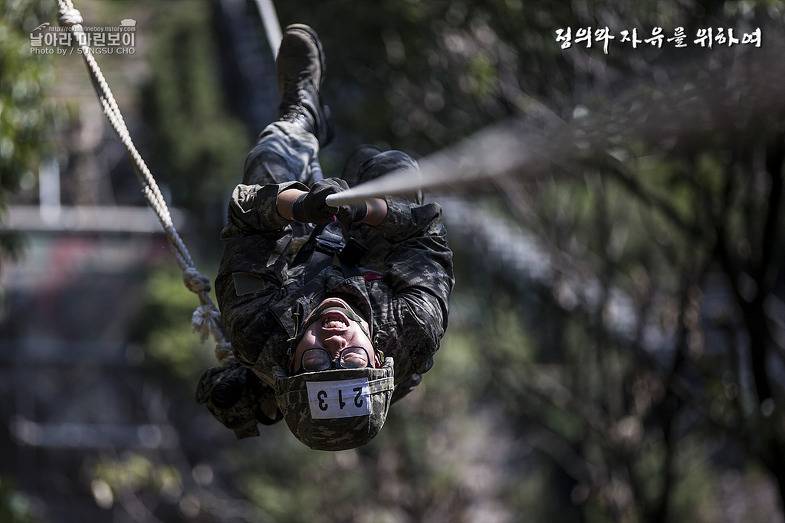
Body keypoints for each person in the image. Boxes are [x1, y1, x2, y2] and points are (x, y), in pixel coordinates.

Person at [196, 24, 454, 451]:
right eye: (351, 359)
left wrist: (300, 206)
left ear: (292, 362)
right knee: (394, 171)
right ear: (377, 358)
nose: (336, 340)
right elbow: (426, 233)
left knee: (268, 158)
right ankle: (367, 168)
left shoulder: (257, 331)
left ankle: (303, 114)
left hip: (292, 263)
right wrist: (368, 208)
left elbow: (245, 217)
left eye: (316, 360)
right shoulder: (413, 327)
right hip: (373, 257)